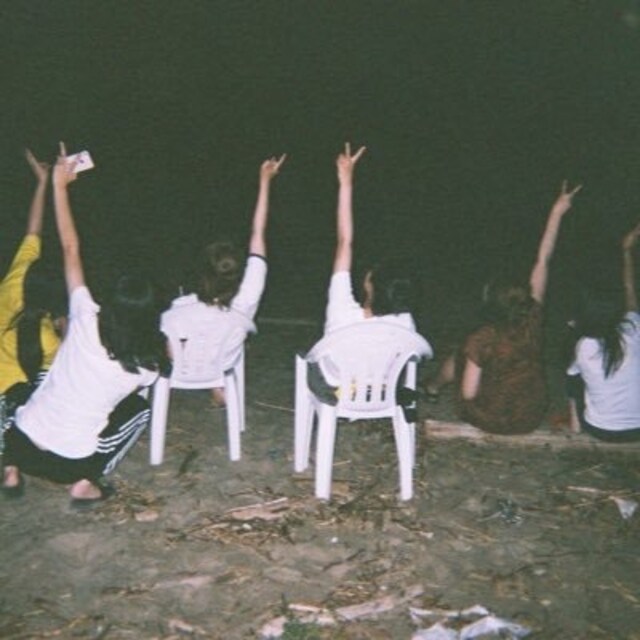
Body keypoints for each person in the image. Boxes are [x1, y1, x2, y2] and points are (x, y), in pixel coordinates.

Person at [2, 143, 168, 505]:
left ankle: (10, 467)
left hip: (19, 442)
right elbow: (148, 365)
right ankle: (86, 482)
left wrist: (59, 186)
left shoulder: (84, 317)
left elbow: (70, 248)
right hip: (68, 464)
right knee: (139, 411)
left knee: (37, 385)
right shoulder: (146, 368)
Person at [425, 181, 582, 434]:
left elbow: (468, 395)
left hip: (494, 420)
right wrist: (557, 212)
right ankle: (434, 385)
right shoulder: (533, 318)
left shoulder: (482, 338)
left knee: (463, 357)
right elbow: (543, 260)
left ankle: (432, 386)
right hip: (531, 415)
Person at [160, 154, 286, 406]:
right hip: (223, 361)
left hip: (182, 366)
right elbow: (258, 234)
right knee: (220, 336)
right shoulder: (248, 296)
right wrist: (265, 182)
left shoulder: (180, 307)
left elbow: (170, 350)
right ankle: (217, 384)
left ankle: (208, 384)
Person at [324, 143, 425, 336]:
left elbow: (344, 242)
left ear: (369, 287)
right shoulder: (405, 325)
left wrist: (345, 181)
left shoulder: (342, 312)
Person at [0, 150, 66, 398]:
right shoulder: (45, 336)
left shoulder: (16, 279)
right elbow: (69, 364)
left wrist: (41, 182)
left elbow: (33, 231)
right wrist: (65, 326)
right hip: (8, 401)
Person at [566, 222, 640, 442]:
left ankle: (574, 424)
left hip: (601, 429)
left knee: (573, 375)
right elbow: (630, 291)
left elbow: (572, 382)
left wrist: (574, 332)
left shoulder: (584, 345)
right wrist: (626, 251)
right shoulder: (634, 328)